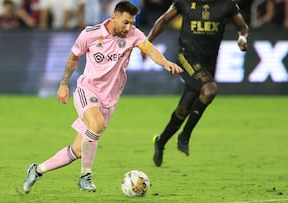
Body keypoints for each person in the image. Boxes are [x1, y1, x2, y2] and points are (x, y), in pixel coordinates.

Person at [23, 1, 182, 193]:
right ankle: (85, 176)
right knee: (96, 124)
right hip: (87, 90)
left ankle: (37, 170)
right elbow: (73, 58)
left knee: (79, 150)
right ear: (113, 17)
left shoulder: (134, 35)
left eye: (132, 23)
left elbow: (150, 49)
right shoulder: (90, 33)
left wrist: (164, 62)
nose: (129, 27)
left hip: (109, 100)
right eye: (125, 22)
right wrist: (64, 84)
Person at [147, 0, 249, 167]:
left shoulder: (227, 5)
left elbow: (242, 27)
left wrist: (242, 38)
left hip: (208, 63)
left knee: (183, 108)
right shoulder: (184, 3)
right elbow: (164, 20)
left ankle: (161, 141)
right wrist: (148, 43)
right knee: (209, 90)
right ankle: (185, 135)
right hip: (186, 56)